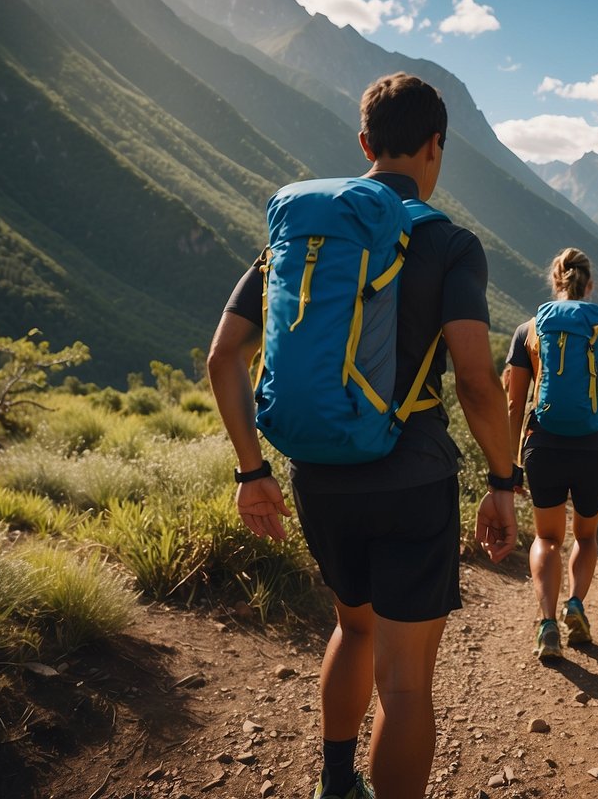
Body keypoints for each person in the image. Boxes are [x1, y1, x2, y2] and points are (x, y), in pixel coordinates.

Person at [207, 73, 518, 799]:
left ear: (364, 143)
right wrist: (502, 482)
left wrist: (252, 474)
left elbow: (224, 357)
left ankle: (333, 784)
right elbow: (475, 379)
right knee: (406, 686)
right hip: (413, 478)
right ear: (435, 146)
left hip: (318, 473)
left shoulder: (305, 233)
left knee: (353, 629)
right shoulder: (449, 244)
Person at [505, 248, 598, 662]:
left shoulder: (527, 331)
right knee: (585, 535)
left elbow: (514, 405)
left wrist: (509, 463)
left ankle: (547, 624)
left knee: (547, 537)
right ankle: (576, 605)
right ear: (589, 284)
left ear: (555, 280)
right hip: (593, 446)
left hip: (542, 445)